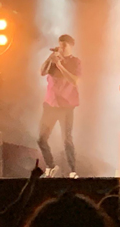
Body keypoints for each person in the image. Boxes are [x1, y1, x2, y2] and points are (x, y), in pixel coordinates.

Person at [38, 34, 81, 178]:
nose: (62, 48)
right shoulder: (53, 60)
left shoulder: (75, 62)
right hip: (50, 104)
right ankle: (50, 166)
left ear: (71, 46)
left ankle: (73, 170)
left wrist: (60, 66)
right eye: (60, 45)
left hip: (66, 105)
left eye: (65, 46)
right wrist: (50, 59)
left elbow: (74, 80)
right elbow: (42, 72)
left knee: (66, 139)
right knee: (41, 138)